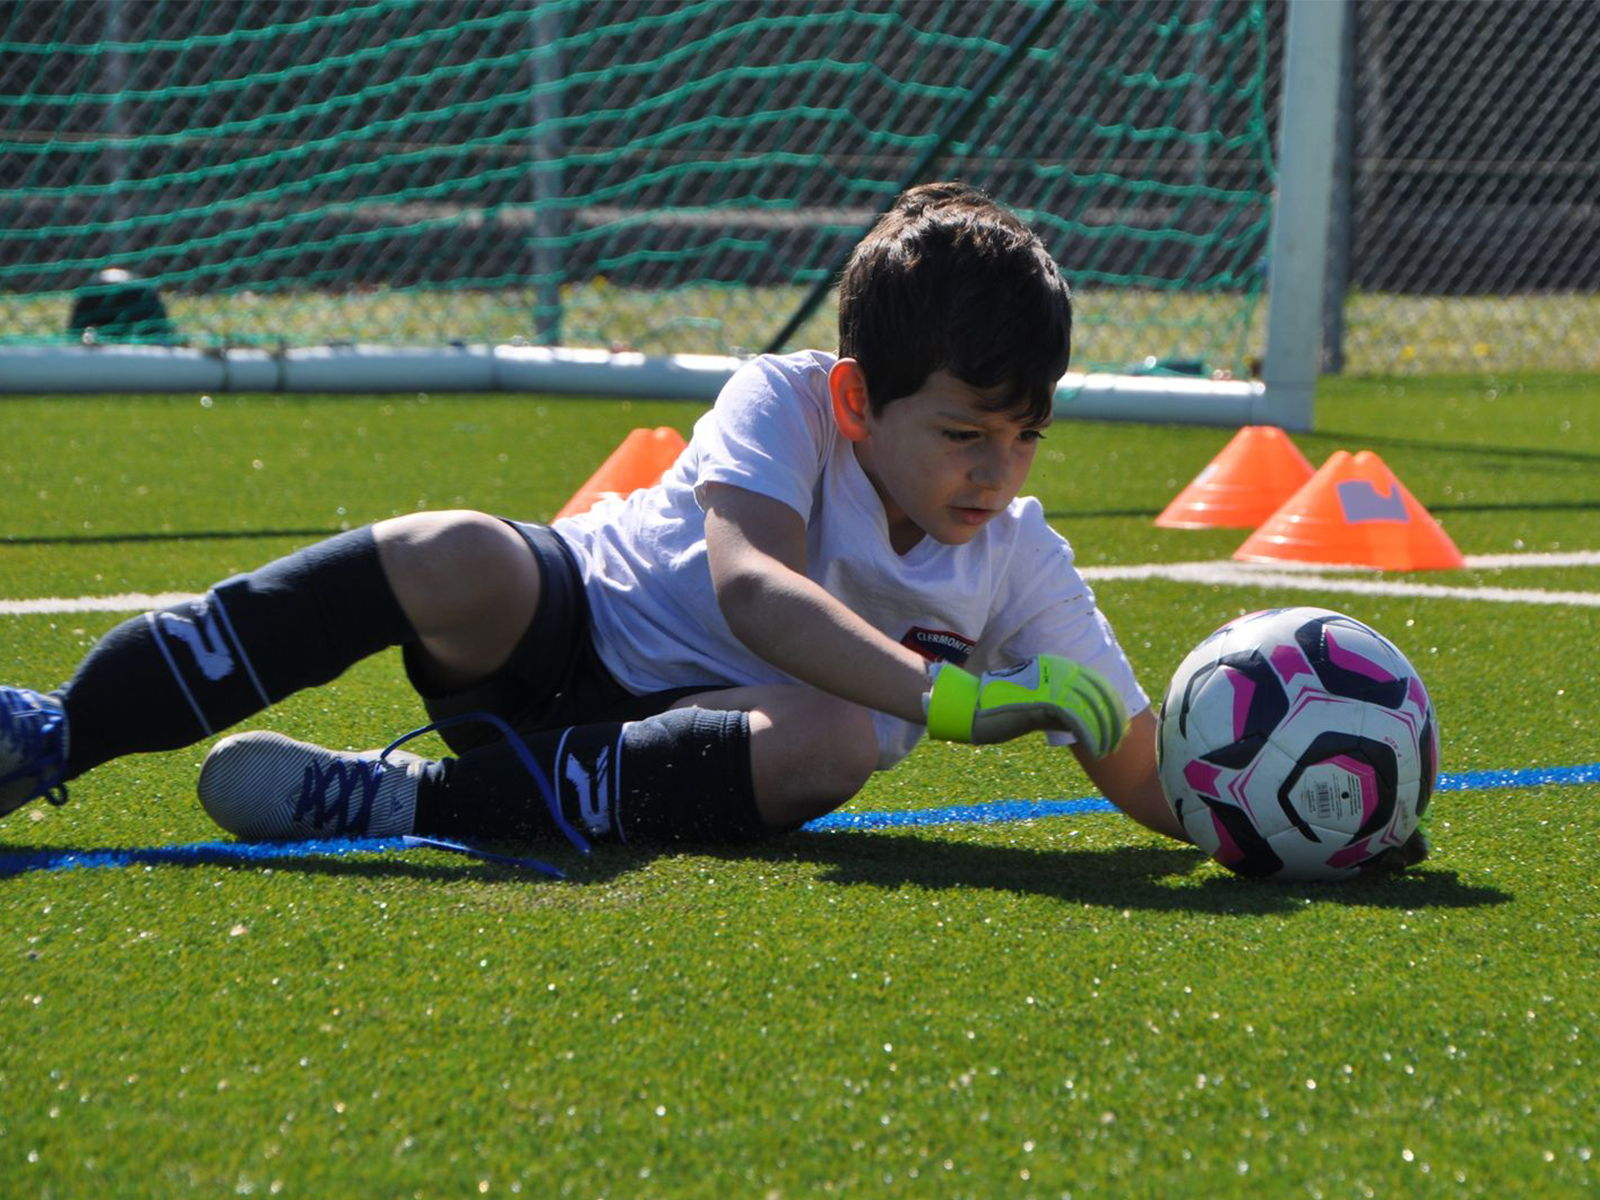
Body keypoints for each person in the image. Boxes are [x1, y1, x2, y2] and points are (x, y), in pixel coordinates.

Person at [0, 183, 1189, 858]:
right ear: (857, 399)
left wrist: (1307, 812)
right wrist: (947, 697)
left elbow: (1139, 771)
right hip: (563, 631)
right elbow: (752, 590)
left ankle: (401, 805)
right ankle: (59, 733)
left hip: (688, 753)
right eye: (964, 433)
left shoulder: (1019, 559)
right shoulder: (784, 402)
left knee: (830, 743)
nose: (997, 469)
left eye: (1025, 435)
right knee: (452, 549)